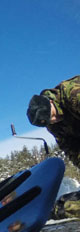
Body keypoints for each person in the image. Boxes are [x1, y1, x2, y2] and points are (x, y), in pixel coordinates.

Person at [26, 75, 80, 219]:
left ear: (50, 102)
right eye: (50, 121)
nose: (55, 120)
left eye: (53, 116)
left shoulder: (72, 93)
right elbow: (72, 148)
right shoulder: (53, 125)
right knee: (65, 206)